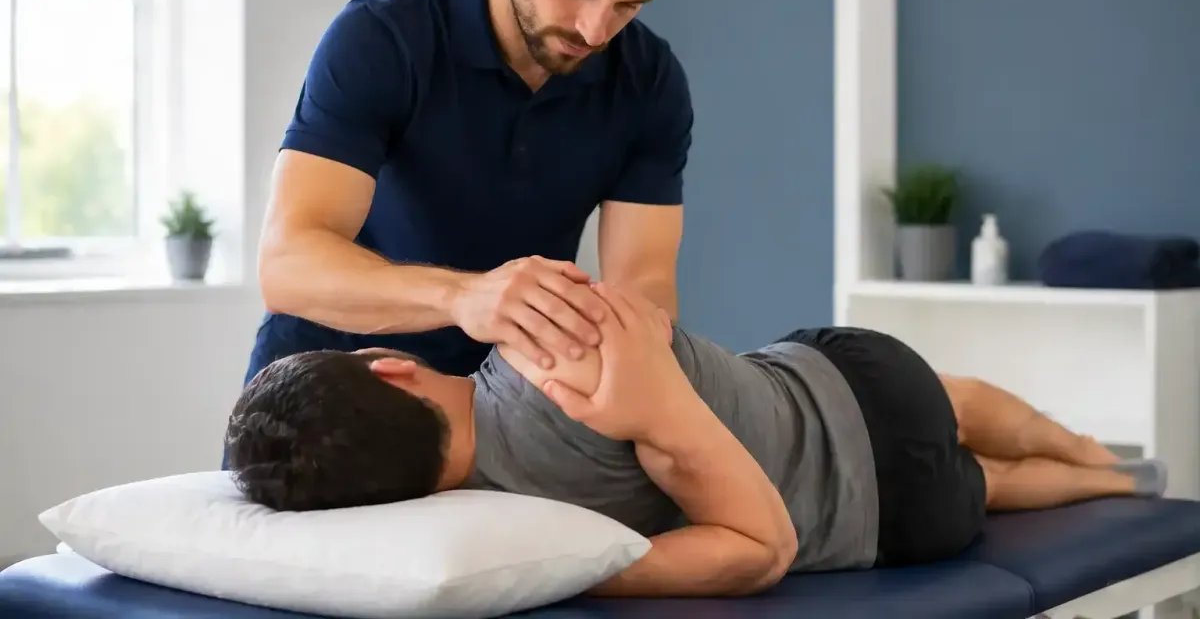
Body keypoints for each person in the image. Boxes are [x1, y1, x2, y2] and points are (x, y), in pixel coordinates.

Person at [224, 282, 1168, 599]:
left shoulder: (519, 539)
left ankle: (1109, 488)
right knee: (956, 403)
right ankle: (1100, 457)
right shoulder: (544, 343)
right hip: (845, 384)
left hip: (897, 521)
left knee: (992, 485)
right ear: (388, 367)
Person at [246, 0, 697, 387]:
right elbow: (288, 265)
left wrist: (634, 352)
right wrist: (467, 297)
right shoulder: (385, 34)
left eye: (628, 5)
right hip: (326, 383)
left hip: (498, 405)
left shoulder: (650, 82)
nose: (595, 30)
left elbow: (646, 288)